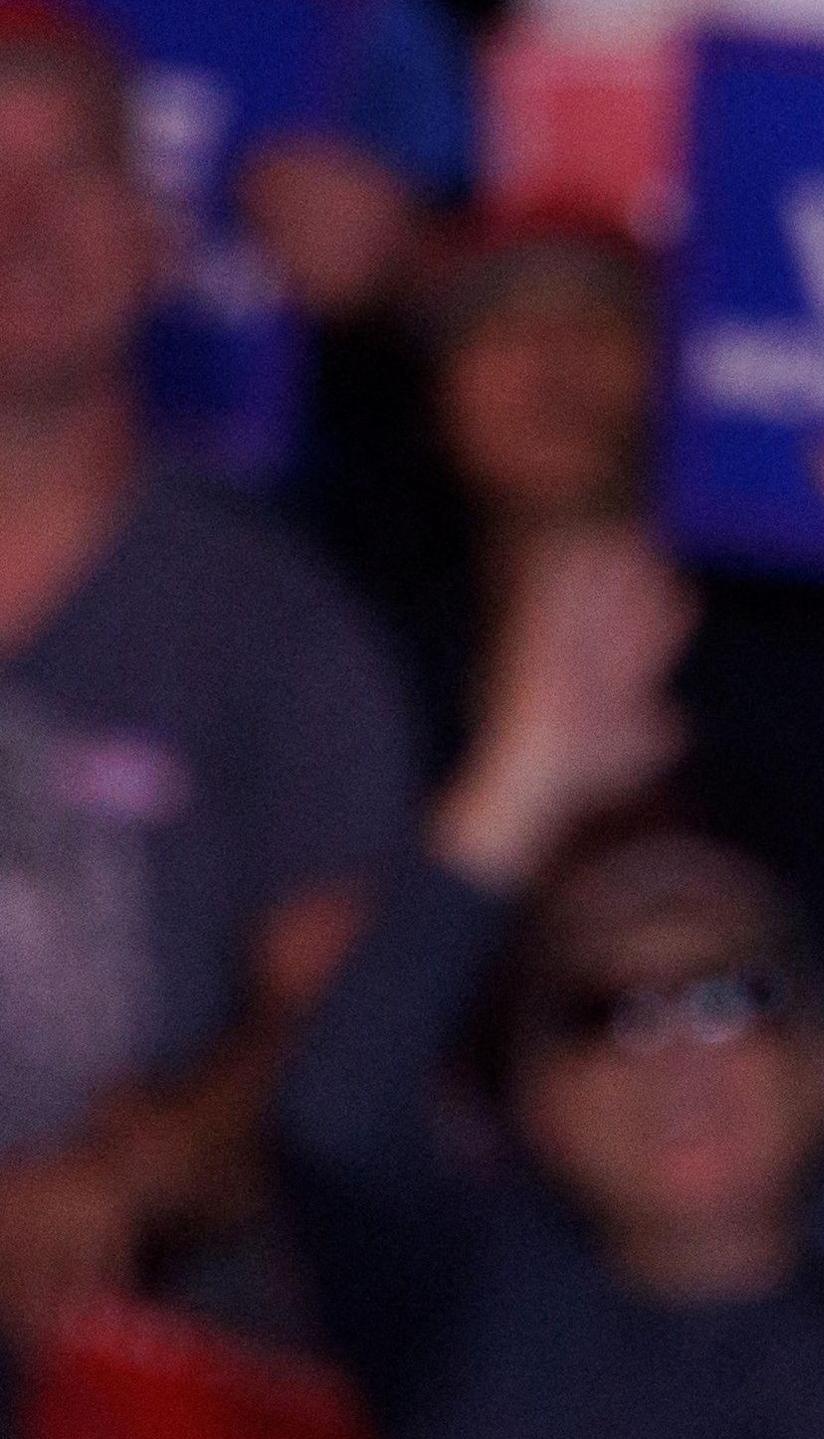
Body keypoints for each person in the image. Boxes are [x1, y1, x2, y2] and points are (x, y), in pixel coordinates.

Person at [276, 532, 824, 1439]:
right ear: (536, 1104)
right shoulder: (473, 1319)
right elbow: (332, 1118)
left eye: (734, 995)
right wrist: (519, 781)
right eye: (606, 1013)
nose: (674, 1051)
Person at [0, 0, 412, 1379]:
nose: (19, 218)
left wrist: (164, 1152)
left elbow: (339, 1012)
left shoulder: (278, 626)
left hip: (145, 1367)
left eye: (73, 170)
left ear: (157, 238)